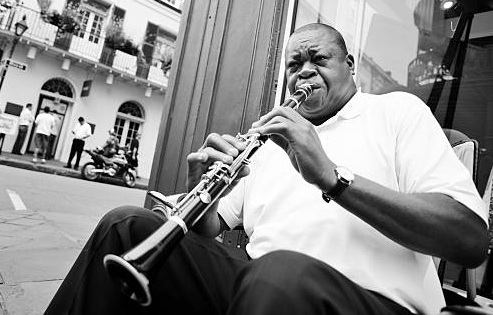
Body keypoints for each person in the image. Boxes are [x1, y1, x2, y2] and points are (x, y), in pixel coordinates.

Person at [44, 23, 488, 315]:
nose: (304, 74)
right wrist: (201, 195)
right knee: (124, 225)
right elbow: (213, 229)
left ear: (350, 68)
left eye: (319, 60)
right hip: (256, 287)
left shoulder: (396, 112)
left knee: (279, 274)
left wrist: (333, 177)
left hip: (373, 302)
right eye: (294, 65)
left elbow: (470, 240)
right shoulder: (271, 137)